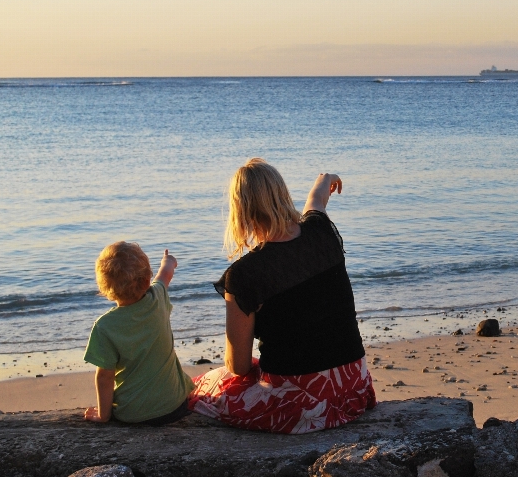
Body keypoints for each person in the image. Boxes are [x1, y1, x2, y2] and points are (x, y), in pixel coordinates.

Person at [188, 158, 375, 434]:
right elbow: (316, 202)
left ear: (240, 211)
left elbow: (238, 366)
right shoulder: (322, 231)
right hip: (353, 389)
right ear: (282, 194)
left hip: (299, 408)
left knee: (202, 389)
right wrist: (325, 178)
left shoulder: (243, 275)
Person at [83, 242, 194, 424]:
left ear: (104, 288)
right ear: (145, 281)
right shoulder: (158, 297)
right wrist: (169, 261)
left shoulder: (105, 326)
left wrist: (104, 415)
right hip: (176, 406)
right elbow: (165, 274)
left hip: (133, 415)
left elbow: (105, 376)